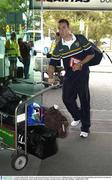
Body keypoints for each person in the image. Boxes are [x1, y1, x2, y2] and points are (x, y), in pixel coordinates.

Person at [48, 19, 95, 138]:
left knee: (84, 101)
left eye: (64, 27)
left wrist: (81, 63)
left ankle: (85, 127)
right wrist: (50, 76)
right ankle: (78, 116)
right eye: (59, 28)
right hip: (69, 75)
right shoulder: (59, 47)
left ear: (69, 28)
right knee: (67, 98)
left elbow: (91, 54)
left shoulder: (80, 39)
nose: (62, 30)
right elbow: (52, 64)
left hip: (82, 73)